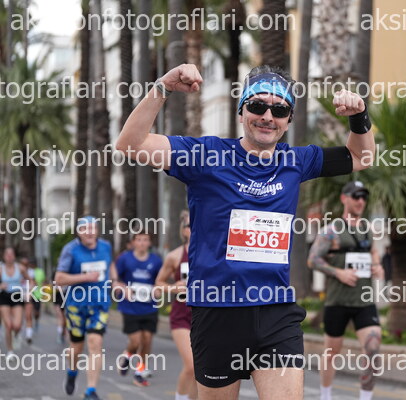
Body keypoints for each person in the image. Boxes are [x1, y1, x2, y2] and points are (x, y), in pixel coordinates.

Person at [116, 63, 375, 399]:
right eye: (257, 106)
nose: (267, 116)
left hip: (276, 311)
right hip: (217, 311)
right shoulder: (206, 155)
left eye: (279, 110)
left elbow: (361, 156)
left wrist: (359, 116)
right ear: (241, 112)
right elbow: (130, 144)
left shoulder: (296, 161)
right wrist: (163, 86)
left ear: (288, 120)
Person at [307, 181, 384, 400]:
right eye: (356, 196)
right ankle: (325, 395)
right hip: (337, 302)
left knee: (372, 349)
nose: (360, 201)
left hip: (364, 301)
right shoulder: (331, 231)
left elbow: (373, 252)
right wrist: (339, 273)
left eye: (363, 197)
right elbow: (312, 260)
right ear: (344, 199)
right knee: (331, 353)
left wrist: (377, 265)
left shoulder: (367, 229)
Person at [55, 216, 113, 400]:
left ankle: (90, 391)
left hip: (100, 303)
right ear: (78, 232)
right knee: (76, 347)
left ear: (97, 230)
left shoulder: (106, 246)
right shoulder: (70, 250)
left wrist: (117, 282)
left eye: (92, 228)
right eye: (84, 229)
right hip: (76, 305)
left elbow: (110, 267)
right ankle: (72, 371)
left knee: (95, 343)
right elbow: (59, 279)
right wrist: (85, 277)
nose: (89, 232)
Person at [111, 231, 162, 387]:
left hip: (149, 306)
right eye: (138, 240)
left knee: (147, 340)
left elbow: (160, 281)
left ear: (149, 243)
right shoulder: (125, 259)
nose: (142, 243)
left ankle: (139, 372)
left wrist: (158, 290)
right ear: (133, 242)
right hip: (130, 306)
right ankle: (127, 355)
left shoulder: (156, 261)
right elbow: (115, 279)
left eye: (145, 240)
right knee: (135, 341)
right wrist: (121, 288)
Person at [155, 211, 195, 400]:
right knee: (192, 366)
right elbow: (158, 283)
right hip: (182, 316)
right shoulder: (175, 256)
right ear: (183, 231)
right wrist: (172, 288)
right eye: (189, 226)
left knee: (202, 369)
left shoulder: (211, 254)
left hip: (205, 316)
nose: (193, 228)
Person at [0, 247, 31, 358]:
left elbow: (31, 280)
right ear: (4, 256)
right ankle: (10, 351)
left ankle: (17, 334)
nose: (9, 256)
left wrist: (28, 292)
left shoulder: (21, 268)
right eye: (7, 254)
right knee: (8, 325)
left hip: (17, 296)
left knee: (17, 325)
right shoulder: (1, 269)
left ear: (14, 256)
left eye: (11, 254)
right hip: (4, 297)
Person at [23, 258, 46, 344]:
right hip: (28, 295)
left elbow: (43, 282)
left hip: (37, 294)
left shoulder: (40, 271)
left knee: (36, 313)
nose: (31, 265)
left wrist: (44, 293)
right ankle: (29, 335)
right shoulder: (25, 271)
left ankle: (36, 321)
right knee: (28, 315)